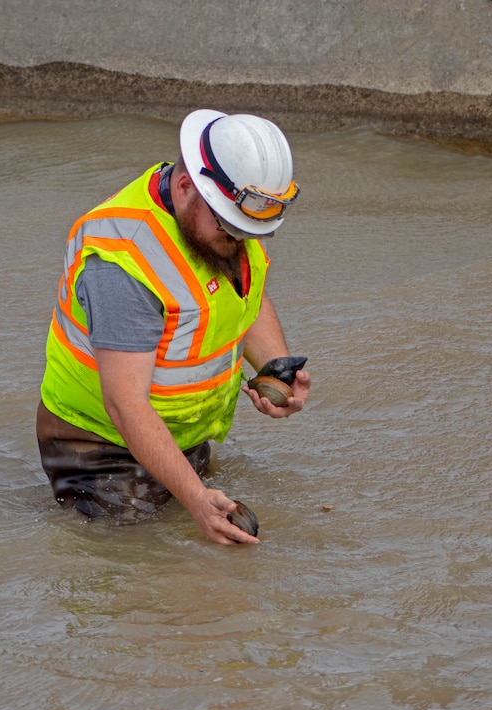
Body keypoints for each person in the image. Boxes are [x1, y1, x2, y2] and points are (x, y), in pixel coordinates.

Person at [36, 109, 311, 545]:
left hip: (178, 434)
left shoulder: (219, 225)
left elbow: (245, 297)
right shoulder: (124, 266)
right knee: (137, 562)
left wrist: (276, 368)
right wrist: (196, 497)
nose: (240, 241)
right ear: (186, 188)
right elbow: (125, 404)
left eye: (250, 231)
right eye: (229, 228)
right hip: (97, 446)